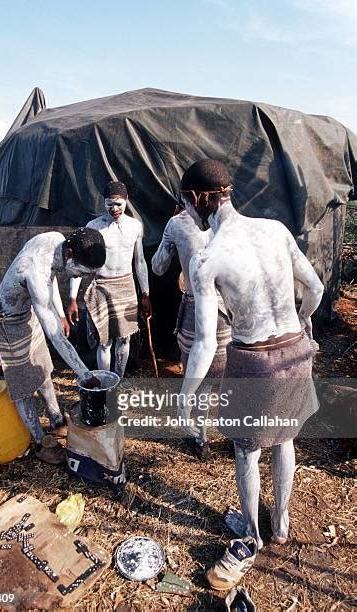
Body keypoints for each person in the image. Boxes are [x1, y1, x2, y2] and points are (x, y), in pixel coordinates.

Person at [177, 159, 323, 588]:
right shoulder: (275, 230)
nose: (187, 210)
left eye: (187, 201)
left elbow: (205, 343)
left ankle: (253, 535)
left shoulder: (207, 259)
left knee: (247, 450)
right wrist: (304, 322)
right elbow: (314, 289)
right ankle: (281, 524)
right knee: (284, 438)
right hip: (295, 351)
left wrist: (186, 394)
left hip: (255, 360)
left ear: (201, 199)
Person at [0, 229, 106, 464]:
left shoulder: (56, 240)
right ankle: (40, 441)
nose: (80, 277)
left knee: (43, 372)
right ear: (69, 254)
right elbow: (56, 335)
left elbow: (52, 278)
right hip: (7, 319)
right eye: (80, 272)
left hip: (27, 312)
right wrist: (85, 373)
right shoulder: (34, 272)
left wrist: (60, 313)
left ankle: (56, 421)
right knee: (24, 385)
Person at [151, 204, 231, 458]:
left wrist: (170, 243)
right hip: (229, 308)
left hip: (199, 305)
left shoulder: (177, 224)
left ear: (189, 196)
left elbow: (158, 267)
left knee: (201, 381)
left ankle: (200, 438)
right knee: (227, 379)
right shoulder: (234, 219)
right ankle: (227, 434)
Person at [68, 181, 152, 378]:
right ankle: (106, 381)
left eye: (118, 204)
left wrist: (146, 293)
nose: (114, 209)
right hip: (102, 286)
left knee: (124, 339)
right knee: (104, 340)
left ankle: (118, 379)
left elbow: (140, 262)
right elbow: (81, 264)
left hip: (126, 286)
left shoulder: (135, 227)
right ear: (103, 203)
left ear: (126, 201)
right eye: (109, 204)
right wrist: (72, 298)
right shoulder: (94, 228)